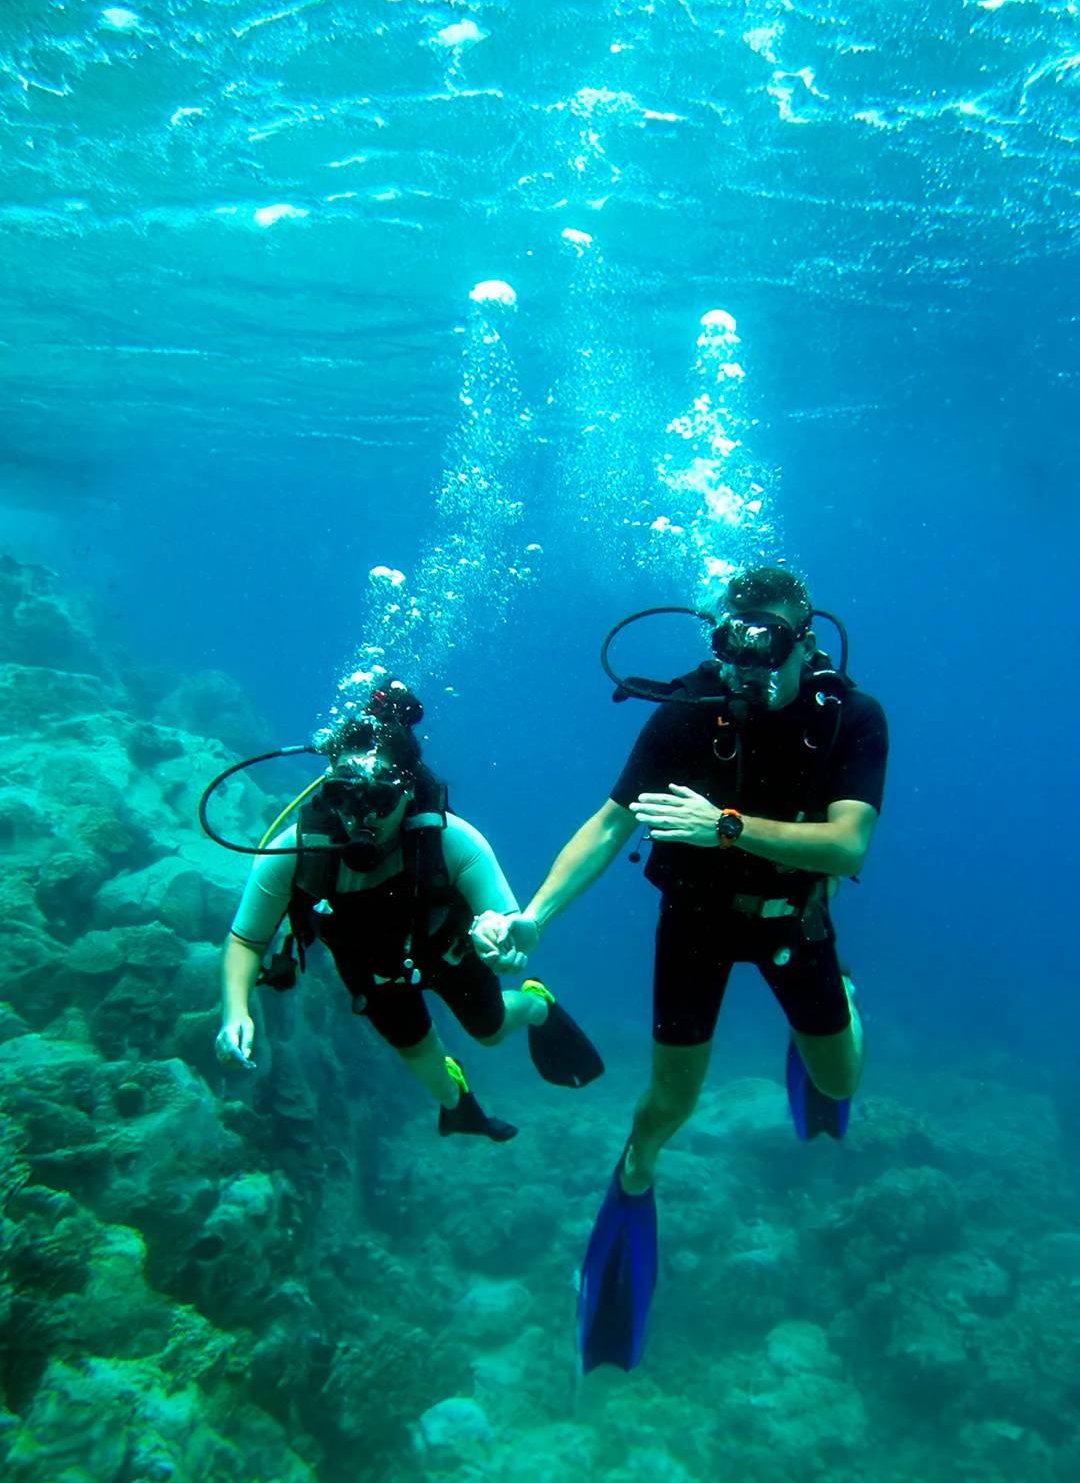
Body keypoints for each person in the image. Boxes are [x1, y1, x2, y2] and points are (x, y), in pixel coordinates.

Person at [472, 567, 888, 1368]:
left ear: (804, 642)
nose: (747, 664)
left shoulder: (850, 718)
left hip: (791, 923)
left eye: (766, 643)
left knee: (839, 1083)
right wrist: (534, 917)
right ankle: (635, 1169)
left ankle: (839, 996)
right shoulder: (688, 714)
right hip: (693, 923)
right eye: (733, 641)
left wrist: (726, 826)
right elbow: (607, 825)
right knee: (671, 1101)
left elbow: (848, 844)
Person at [215, 681, 603, 1141]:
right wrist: (235, 1011)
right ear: (328, 788)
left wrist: (500, 935)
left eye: (379, 799)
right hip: (372, 969)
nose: (362, 818)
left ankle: (536, 1004)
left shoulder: (453, 840)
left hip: (449, 951)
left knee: (490, 1031)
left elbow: (503, 915)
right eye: (344, 797)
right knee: (417, 1051)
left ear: (407, 790)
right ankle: (457, 1103)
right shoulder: (296, 852)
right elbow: (246, 939)